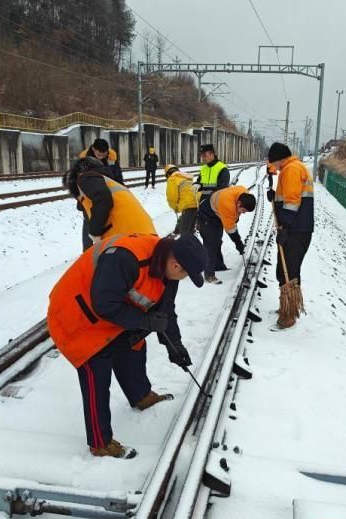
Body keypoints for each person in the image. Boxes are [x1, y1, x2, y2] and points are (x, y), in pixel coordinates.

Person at [47, 233, 208, 458]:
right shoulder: (125, 258)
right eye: (185, 275)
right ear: (176, 264)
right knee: (97, 372)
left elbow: (165, 311)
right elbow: (103, 303)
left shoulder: (167, 268)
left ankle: (140, 395)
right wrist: (144, 321)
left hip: (111, 312)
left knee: (133, 345)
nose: (182, 280)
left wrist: (175, 346)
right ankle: (100, 443)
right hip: (77, 316)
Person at [268, 142, 315, 329]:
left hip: (295, 230)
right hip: (297, 229)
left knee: (289, 272)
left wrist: (284, 227)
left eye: (274, 163)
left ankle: (289, 315)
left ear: (280, 159)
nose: (275, 168)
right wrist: (275, 196)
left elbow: (293, 201)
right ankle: (287, 308)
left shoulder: (291, 169)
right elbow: (287, 196)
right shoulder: (292, 168)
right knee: (286, 269)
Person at [64, 157, 156, 251]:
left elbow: (103, 198)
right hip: (145, 235)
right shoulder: (109, 182)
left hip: (128, 239)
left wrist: (94, 232)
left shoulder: (85, 177)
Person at [197, 185, 256, 284]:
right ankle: (209, 275)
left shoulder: (243, 192)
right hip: (206, 215)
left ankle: (218, 266)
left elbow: (233, 219)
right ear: (239, 203)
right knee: (210, 243)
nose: (244, 213)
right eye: (244, 211)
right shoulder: (228, 205)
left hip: (217, 213)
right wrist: (238, 243)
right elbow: (231, 229)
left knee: (217, 240)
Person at [197, 144, 230, 271]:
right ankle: (218, 265)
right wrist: (196, 185)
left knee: (214, 237)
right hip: (203, 207)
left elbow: (221, 188)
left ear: (211, 154)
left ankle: (212, 266)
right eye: (202, 156)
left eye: (204, 155)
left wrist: (208, 199)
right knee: (209, 237)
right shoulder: (204, 168)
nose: (203, 158)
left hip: (215, 208)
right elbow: (200, 181)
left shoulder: (222, 169)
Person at [165, 164, 200, 235]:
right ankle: (191, 245)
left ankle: (186, 245)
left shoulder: (172, 179)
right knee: (190, 231)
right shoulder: (185, 177)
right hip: (196, 204)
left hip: (187, 206)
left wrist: (175, 208)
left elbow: (172, 197)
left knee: (184, 233)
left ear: (168, 174)